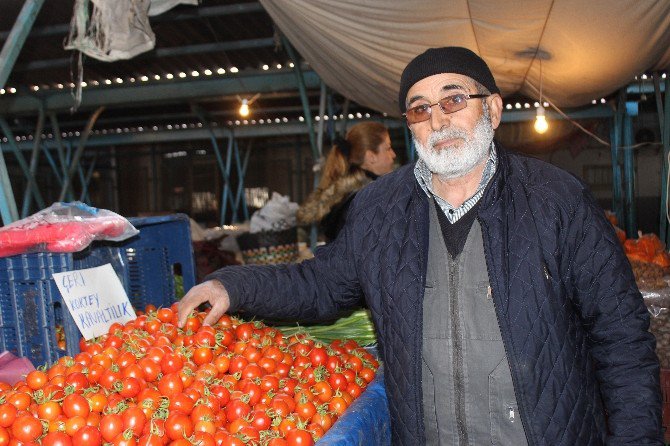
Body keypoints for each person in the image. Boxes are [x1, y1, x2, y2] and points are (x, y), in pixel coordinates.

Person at [178, 47, 662, 445]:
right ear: (409, 125)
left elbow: (621, 336)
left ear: (491, 109)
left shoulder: (556, 199)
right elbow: (322, 283)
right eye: (420, 108)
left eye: (454, 100)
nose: (438, 120)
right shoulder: (379, 209)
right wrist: (232, 286)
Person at [296, 121, 396, 241]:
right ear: (371, 157)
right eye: (388, 148)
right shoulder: (368, 200)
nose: (393, 154)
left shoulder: (348, 196)